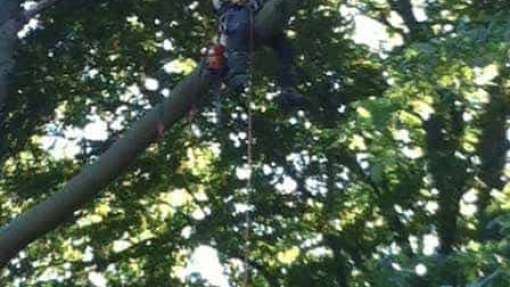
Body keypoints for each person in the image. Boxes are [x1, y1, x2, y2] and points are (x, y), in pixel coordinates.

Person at [212, 0, 307, 108]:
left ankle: (288, 87)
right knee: (240, 27)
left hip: (257, 16)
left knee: (285, 47)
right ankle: (236, 74)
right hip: (235, 16)